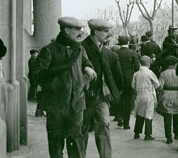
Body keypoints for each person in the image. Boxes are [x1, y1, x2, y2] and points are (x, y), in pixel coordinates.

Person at [34, 17, 97, 158]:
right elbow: (37, 75)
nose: (80, 33)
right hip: (56, 104)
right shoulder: (49, 50)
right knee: (56, 140)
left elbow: (87, 64)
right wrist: (57, 83)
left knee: (76, 138)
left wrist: (87, 70)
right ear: (67, 30)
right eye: (77, 30)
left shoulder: (80, 50)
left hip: (76, 103)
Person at [81, 19, 123, 158]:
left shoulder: (108, 53)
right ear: (96, 32)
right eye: (105, 31)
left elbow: (117, 77)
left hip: (101, 97)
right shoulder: (81, 48)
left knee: (104, 125)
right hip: (83, 97)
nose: (108, 34)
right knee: (82, 129)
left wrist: (113, 91)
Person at [132, 55, 160, 141]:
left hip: (140, 94)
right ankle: (148, 134)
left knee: (140, 113)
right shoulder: (150, 73)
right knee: (148, 114)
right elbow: (157, 84)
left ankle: (137, 132)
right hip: (148, 94)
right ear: (148, 64)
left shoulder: (136, 73)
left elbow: (133, 85)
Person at [116, 35, 140, 129]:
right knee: (128, 101)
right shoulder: (132, 53)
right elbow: (137, 67)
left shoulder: (115, 53)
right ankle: (126, 123)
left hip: (118, 80)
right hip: (129, 80)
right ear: (128, 42)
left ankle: (119, 118)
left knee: (119, 99)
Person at [157, 55, 178, 144]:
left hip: (166, 94)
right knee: (177, 114)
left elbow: (159, 87)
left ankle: (168, 137)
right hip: (177, 94)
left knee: (167, 116)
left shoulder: (163, 73)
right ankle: (177, 133)